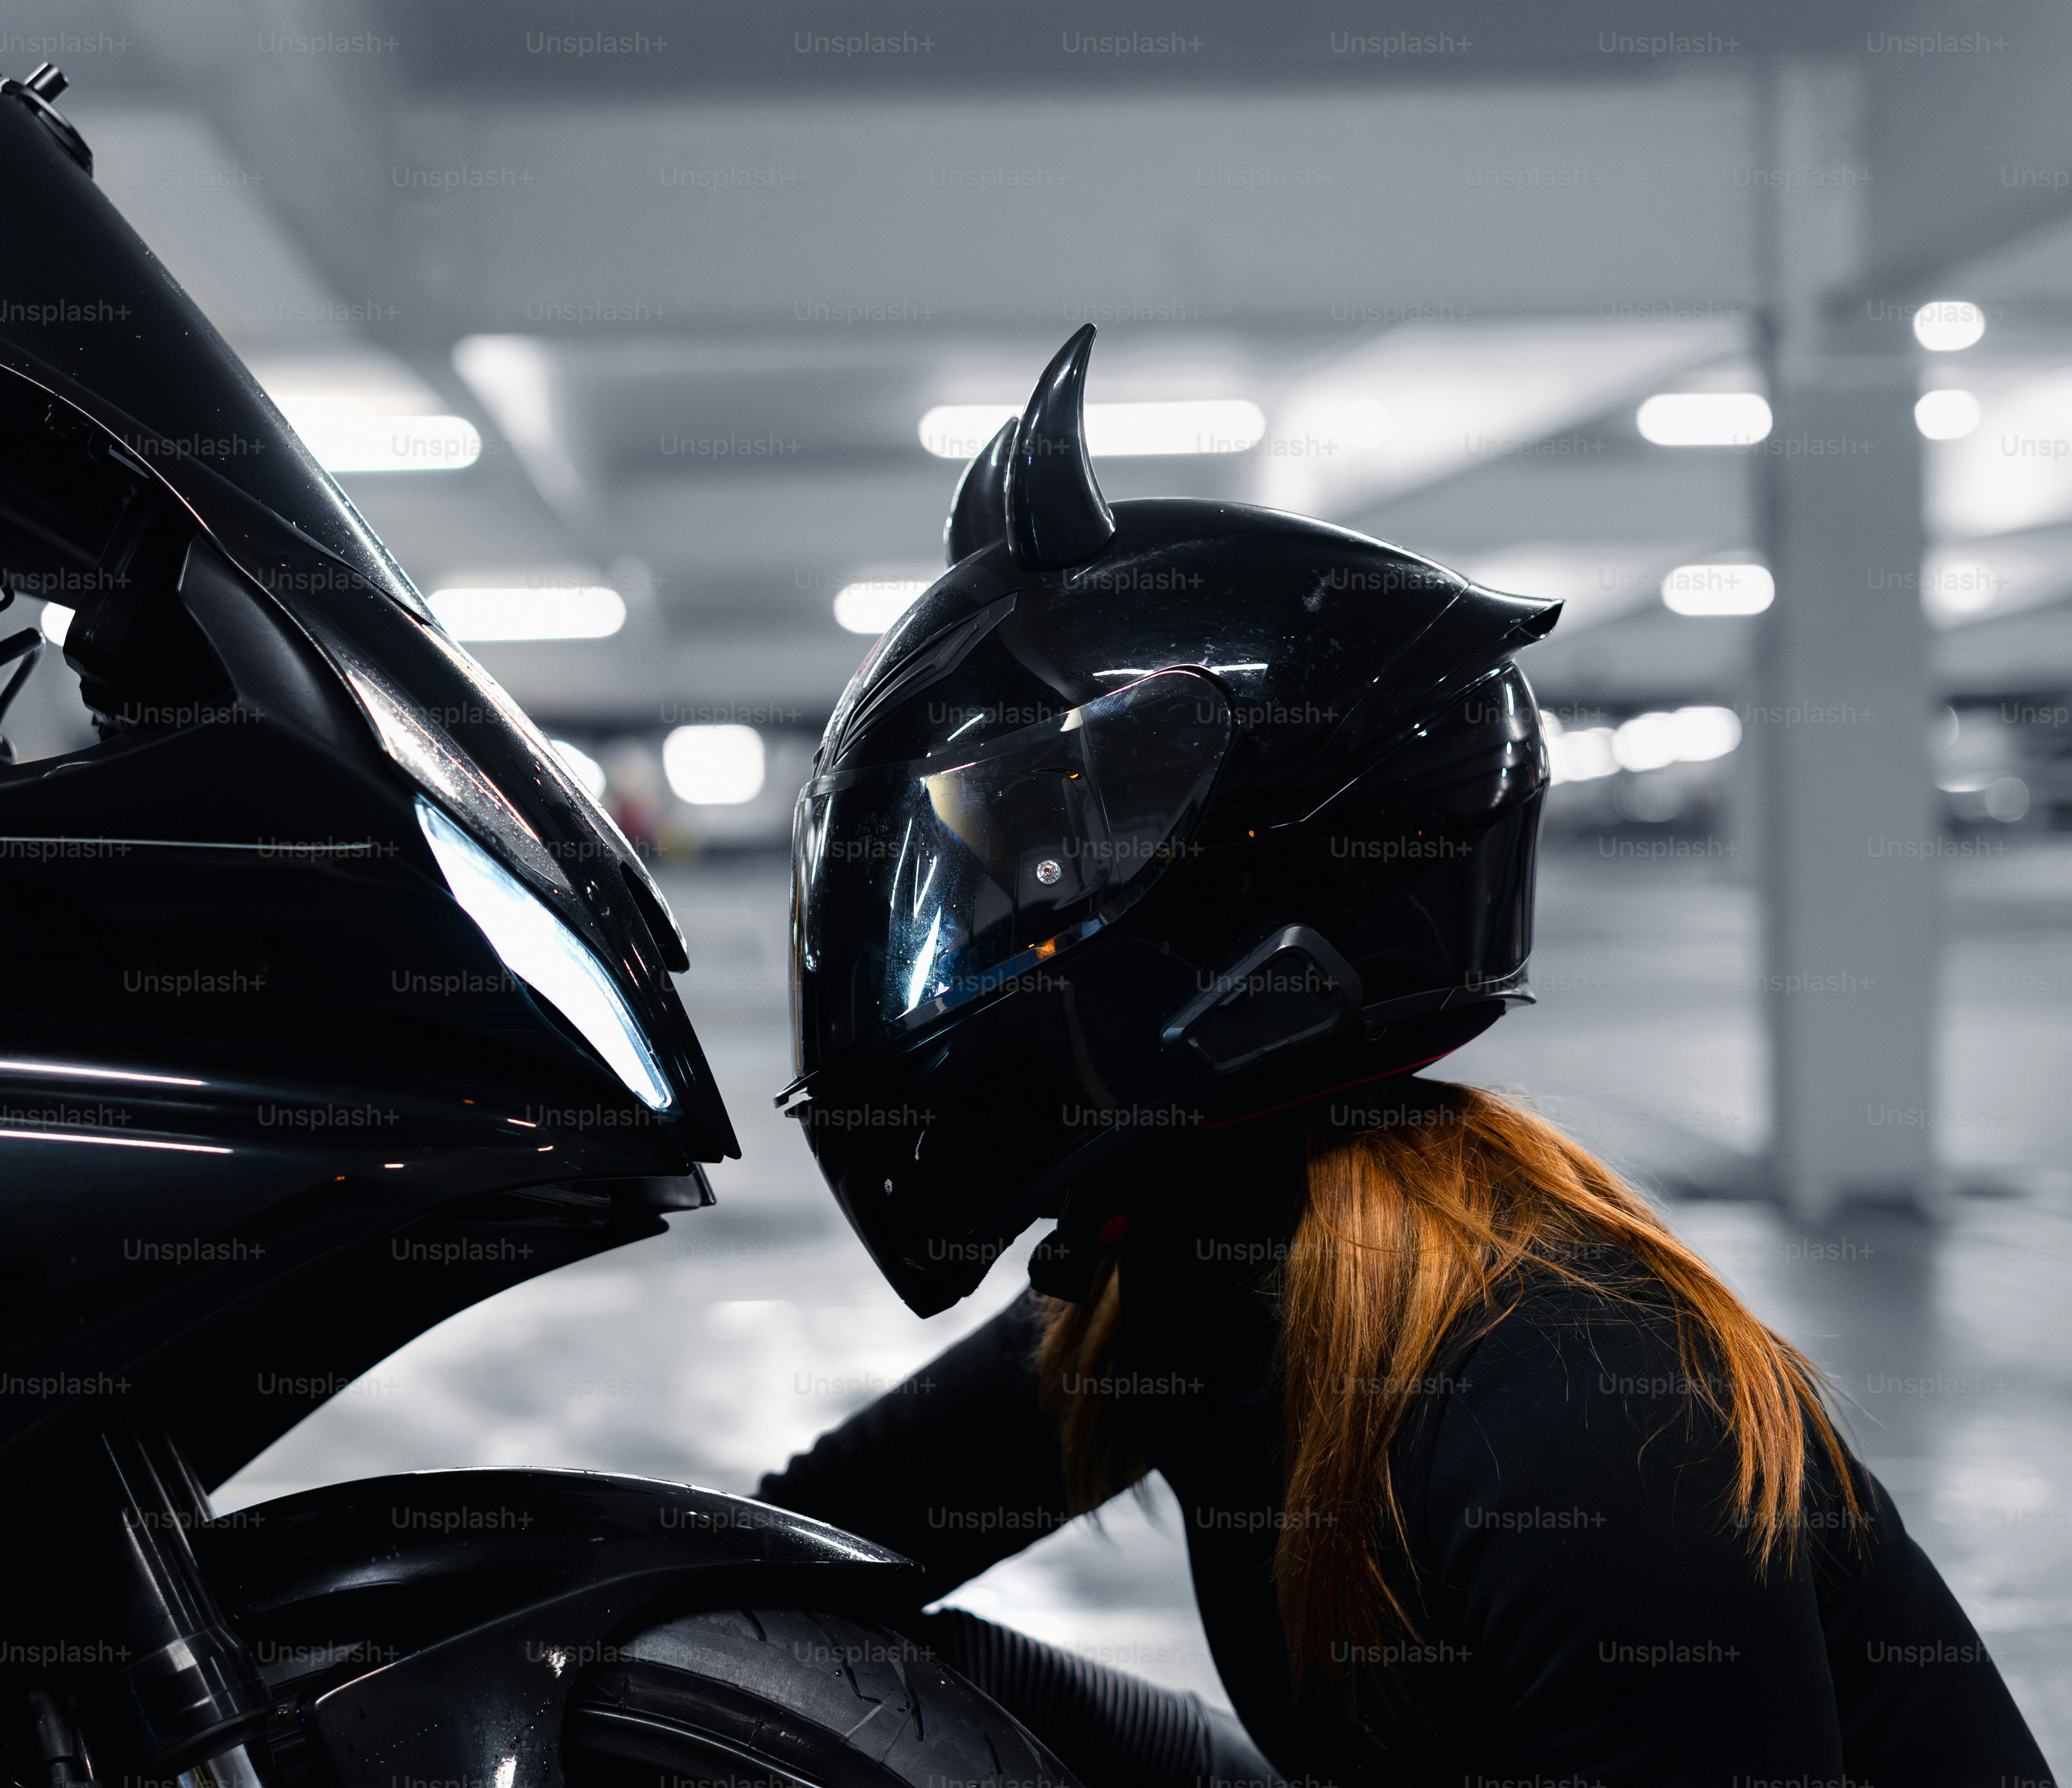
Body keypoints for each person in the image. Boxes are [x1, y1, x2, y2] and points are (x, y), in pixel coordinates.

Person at [755, 328, 2054, 1784]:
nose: (996, 915)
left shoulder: (1567, 1401)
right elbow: (800, 1556)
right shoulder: (1194, 1281)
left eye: (1034, 867)